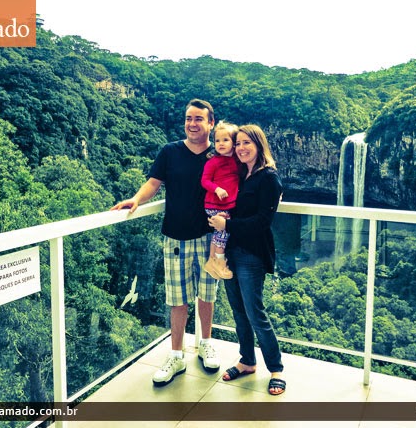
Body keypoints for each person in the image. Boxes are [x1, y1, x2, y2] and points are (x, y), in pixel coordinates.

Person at [111, 99, 220, 386]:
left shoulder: (219, 154)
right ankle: (176, 355)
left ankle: (205, 343)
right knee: (177, 298)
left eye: (199, 119)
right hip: (175, 237)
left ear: (211, 123)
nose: (192, 123)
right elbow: (153, 182)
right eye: (188, 118)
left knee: (207, 293)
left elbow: (242, 176)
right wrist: (135, 198)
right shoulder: (170, 152)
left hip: (210, 237)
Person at [208, 124, 286, 396]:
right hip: (230, 251)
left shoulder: (269, 178)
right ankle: (247, 361)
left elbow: (263, 221)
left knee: (255, 312)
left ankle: (276, 369)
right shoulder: (241, 173)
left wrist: (225, 226)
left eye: (246, 143)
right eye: (237, 143)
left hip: (251, 254)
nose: (240, 148)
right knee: (238, 311)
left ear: (259, 144)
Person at [201, 121, 240, 280]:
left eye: (225, 140)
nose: (221, 144)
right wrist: (217, 189)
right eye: (217, 141)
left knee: (219, 232)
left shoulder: (237, 161)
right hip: (214, 204)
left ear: (233, 143)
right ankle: (220, 263)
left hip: (226, 204)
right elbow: (204, 181)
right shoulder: (213, 162)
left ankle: (212, 260)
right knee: (223, 230)